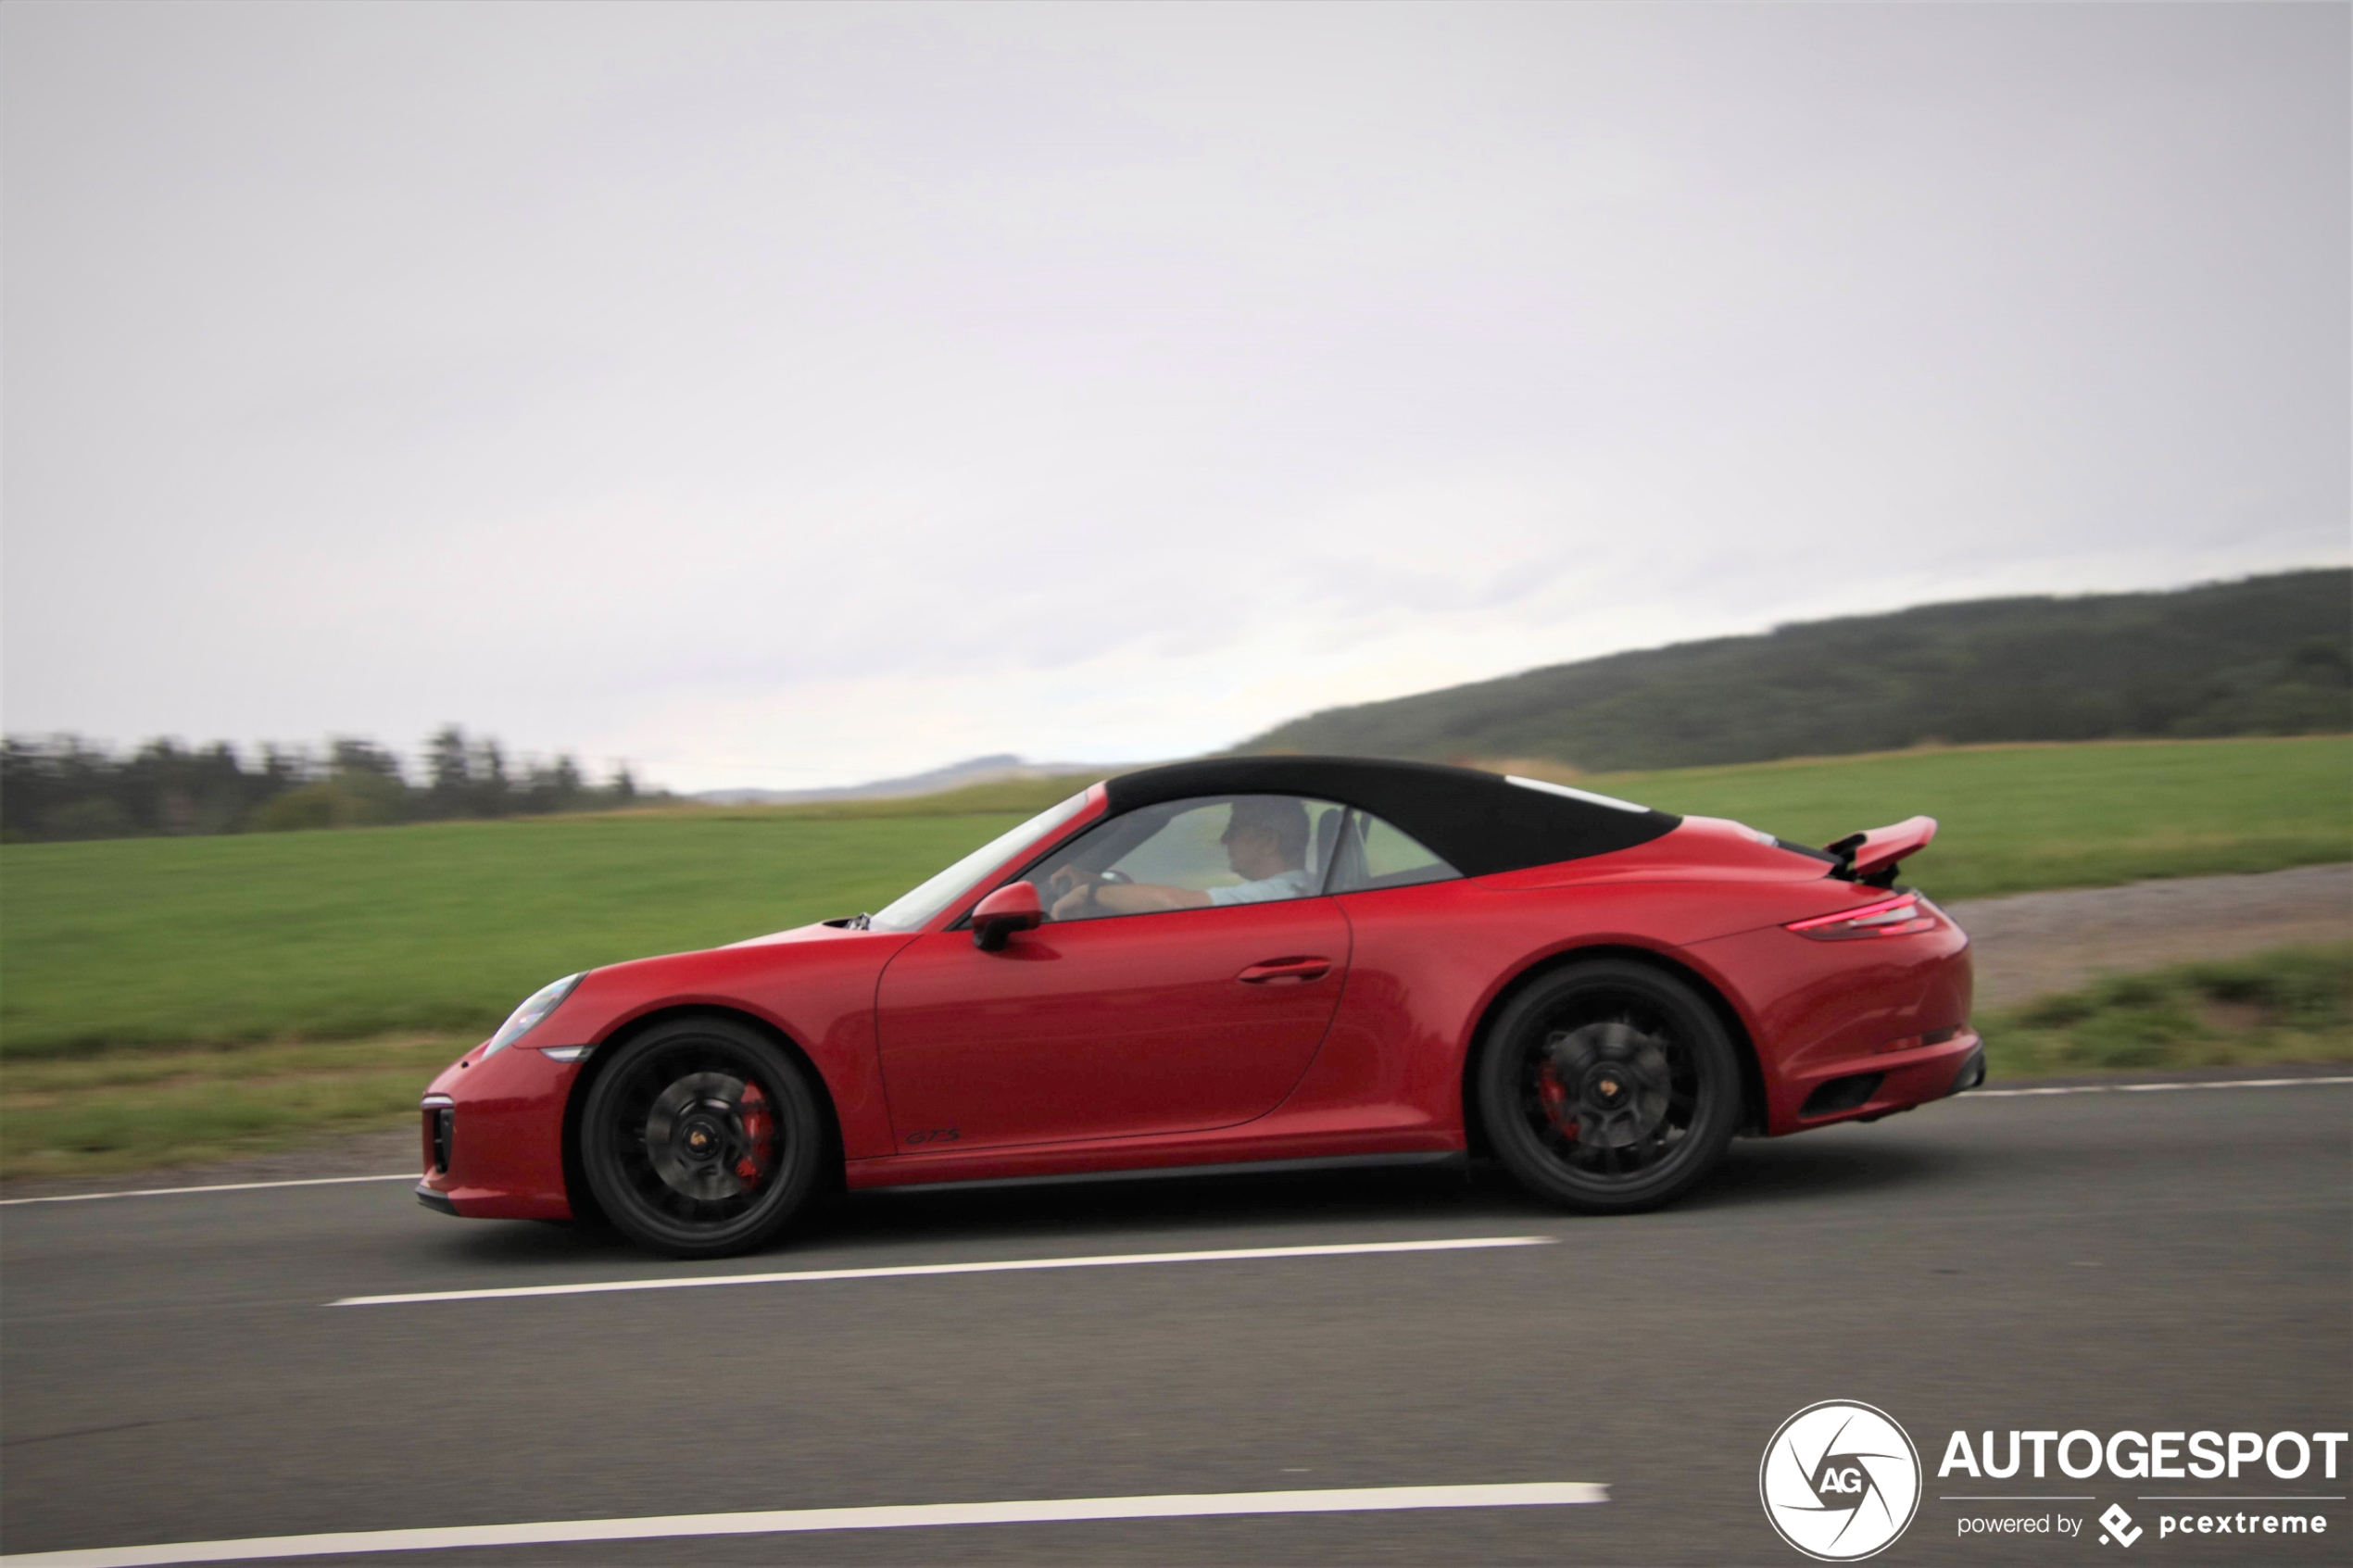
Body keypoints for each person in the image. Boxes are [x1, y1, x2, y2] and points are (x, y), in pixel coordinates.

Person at [1049, 796, 1315, 920]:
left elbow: (1177, 903)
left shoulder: (1276, 894)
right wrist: (1101, 885)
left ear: (1268, 841)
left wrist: (1092, 893)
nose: (1224, 839)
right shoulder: (1304, 887)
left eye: (1234, 829)